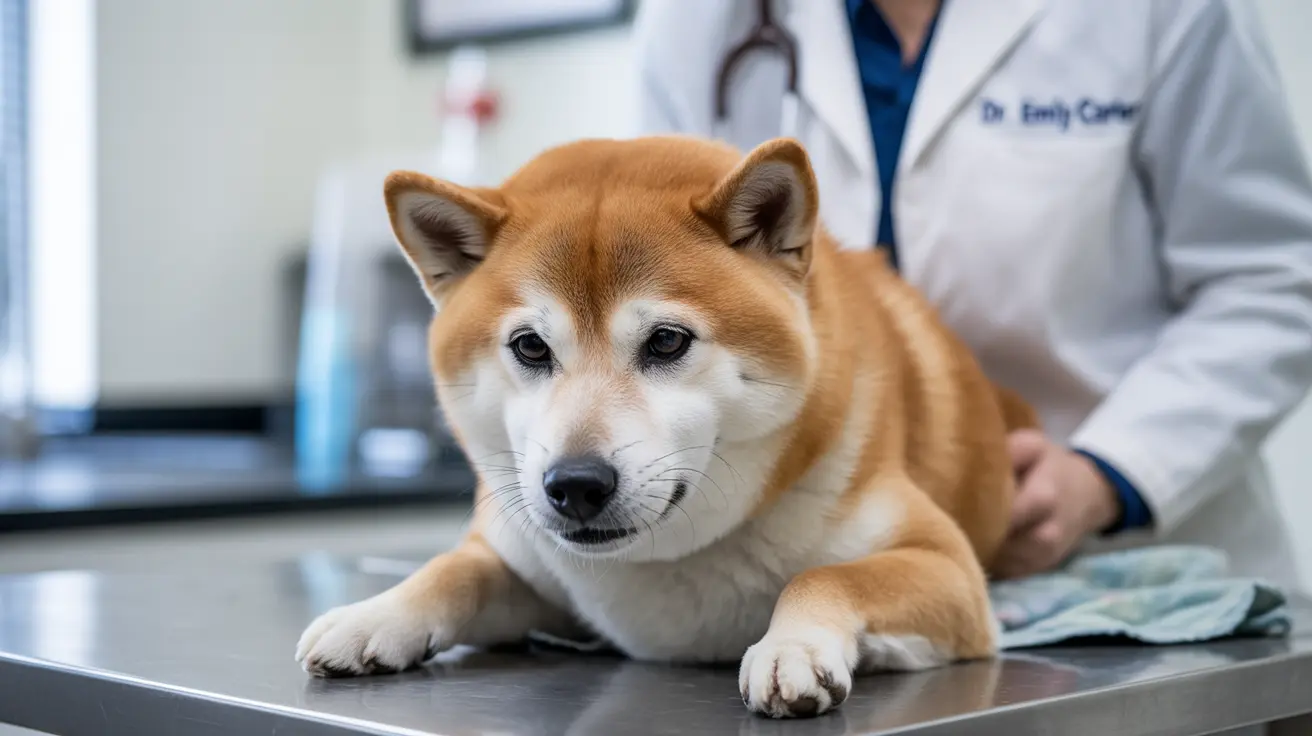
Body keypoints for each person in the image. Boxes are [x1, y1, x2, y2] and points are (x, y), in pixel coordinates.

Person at [631, 0, 1312, 591]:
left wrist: (1111, 473)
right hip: (824, 570)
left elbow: (1269, 276)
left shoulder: (1162, 10)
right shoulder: (702, 17)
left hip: (1138, 561)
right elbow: (658, 278)